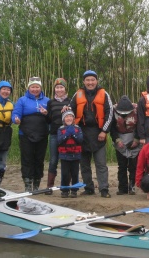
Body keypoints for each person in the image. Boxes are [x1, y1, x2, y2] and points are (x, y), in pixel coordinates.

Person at [66, 70, 113, 198]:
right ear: (84, 81)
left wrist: (104, 131)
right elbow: (70, 112)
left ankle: (104, 188)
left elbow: (110, 114)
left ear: (97, 81)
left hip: (99, 133)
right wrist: (66, 109)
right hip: (81, 133)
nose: (90, 82)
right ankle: (89, 187)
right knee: (84, 164)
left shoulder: (104, 94)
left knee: (101, 164)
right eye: (88, 80)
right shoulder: (78, 94)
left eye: (93, 80)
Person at [12, 77, 49, 191]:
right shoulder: (22, 100)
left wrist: (46, 113)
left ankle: (36, 184)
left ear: (41, 88)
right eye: (32, 87)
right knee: (27, 159)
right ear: (28, 88)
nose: (35, 89)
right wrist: (16, 119)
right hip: (25, 134)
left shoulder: (47, 101)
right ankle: (27, 183)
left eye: (37, 87)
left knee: (39, 159)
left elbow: (51, 117)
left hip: (42, 135)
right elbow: (15, 114)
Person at [110, 95, 141, 195]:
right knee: (121, 165)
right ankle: (122, 188)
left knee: (133, 165)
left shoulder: (137, 110)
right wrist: (117, 140)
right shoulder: (113, 110)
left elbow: (140, 125)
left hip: (134, 141)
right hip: (120, 141)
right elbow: (112, 128)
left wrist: (137, 139)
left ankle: (132, 186)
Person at [45, 78, 71, 195]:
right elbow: (49, 120)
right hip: (54, 134)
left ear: (65, 89)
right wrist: (46, 114)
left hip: (68, 135)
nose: (59, 89)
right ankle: (49, 186)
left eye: (61, 87)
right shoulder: (50, 102)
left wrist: (69, 109)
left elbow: (73, 118)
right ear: (54, 89)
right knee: (53, 160)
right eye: (57, 87)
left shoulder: (70, 101)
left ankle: (65, 187)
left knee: (66, 160)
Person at [58, 110, 83, 198]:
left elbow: (80, 140)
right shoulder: (61, 129)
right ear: (63, 119)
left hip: (75, 156)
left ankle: (74, 190)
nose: (69, 118)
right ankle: (64, 190)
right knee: (65, 174)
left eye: (71, 116)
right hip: (64, 156)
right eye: (66, 117)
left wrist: (74, 134)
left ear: (73, 119)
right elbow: (59, 141)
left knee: (75, 174)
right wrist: (66, 134)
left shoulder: (78, 129)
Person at [0, 81, 14, 187]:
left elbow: (17, 115)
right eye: (3, 89)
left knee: (2, 163)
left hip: (5, 135)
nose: (6, 91)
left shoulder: (11, 104)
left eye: (8, 90)